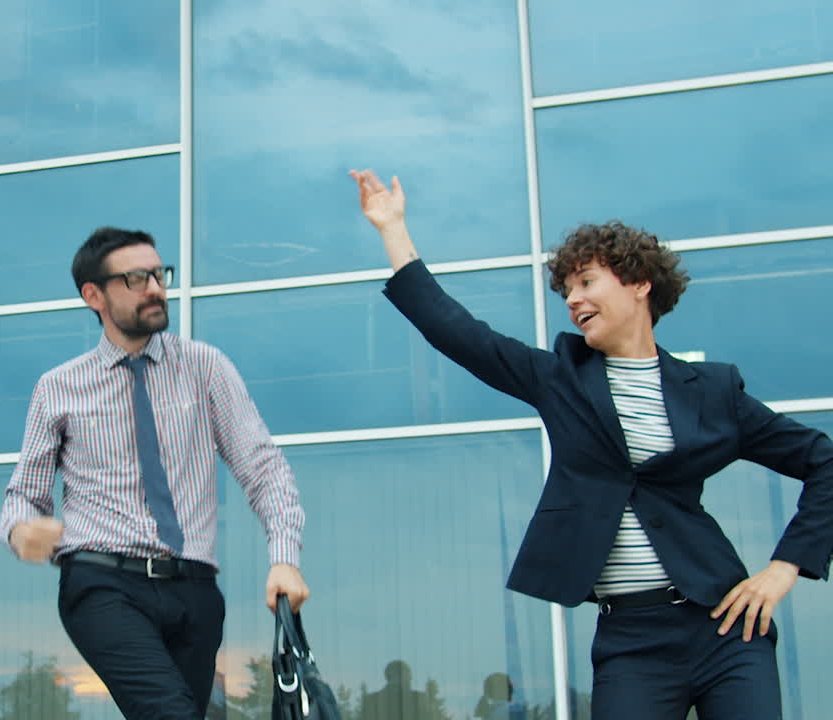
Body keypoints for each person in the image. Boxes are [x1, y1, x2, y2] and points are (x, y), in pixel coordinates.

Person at [350, 169, 833, 719]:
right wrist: (392, 229)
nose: (573, 300)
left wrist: (784, 568)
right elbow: (457, 331)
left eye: (586, 282)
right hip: (630, 641)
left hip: (724, 627)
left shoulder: (713, 391)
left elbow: (825, 461)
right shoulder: (560, 378)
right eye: (566, 291)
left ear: (639, 283)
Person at [0, 227, 310, 719]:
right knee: (171, 713)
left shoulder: (205, 367)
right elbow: (24, 496)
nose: (156, 288)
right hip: (104, 585)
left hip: (195, 591)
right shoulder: (58, 387)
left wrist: (285, 556)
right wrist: (22, 531)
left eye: (159, 274)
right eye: (136, 278)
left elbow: (262, 466)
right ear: (93, 295)